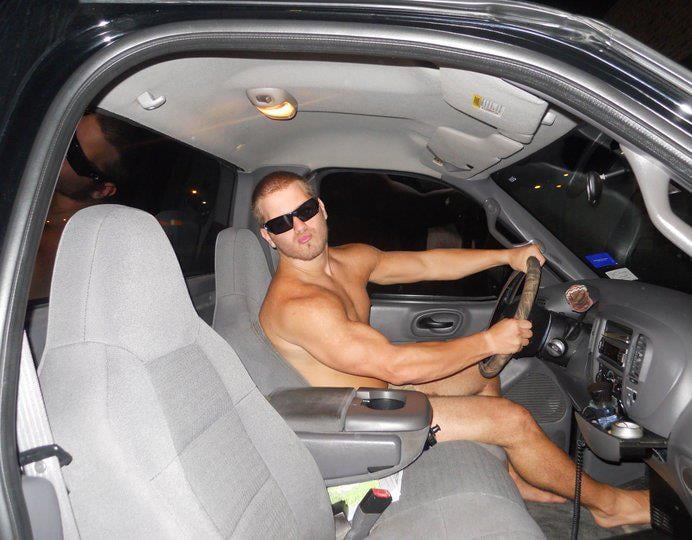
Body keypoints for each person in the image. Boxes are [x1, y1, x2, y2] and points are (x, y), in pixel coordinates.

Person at [254, 170, 650, 528]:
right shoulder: (300, 306)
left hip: (384, 395)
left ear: (321, 208)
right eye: (281, 223)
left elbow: (427, 265)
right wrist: (489, 340)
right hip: (364, 421)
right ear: (268, 236)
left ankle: (513, 475)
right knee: (511, 420)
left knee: (483, 372)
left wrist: (507, 256)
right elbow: (395, 366)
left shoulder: (349, 260)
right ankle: (610, 505)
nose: (299, 227)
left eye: (304, 211)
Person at [30, 112, 137, 299]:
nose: (56, 148)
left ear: (102, 190)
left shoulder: (73, 251)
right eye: (66, 135)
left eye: (74, 154)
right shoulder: (27, 196)